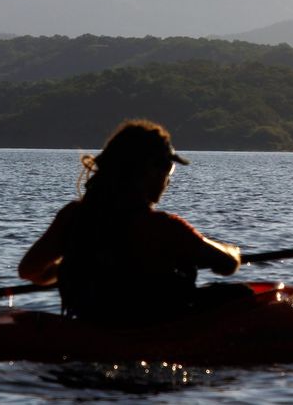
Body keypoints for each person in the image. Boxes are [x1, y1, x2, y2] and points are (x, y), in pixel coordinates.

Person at [18, 119, 247, 326]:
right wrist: (233, 251)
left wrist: (77, 265)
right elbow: (227, 264)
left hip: (91, 323)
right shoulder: (163, 227)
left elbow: (30, 271)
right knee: (242, 295)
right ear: (150, 171)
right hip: (150, 331)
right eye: (168, 169)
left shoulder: (73, 216)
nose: (168, 180)